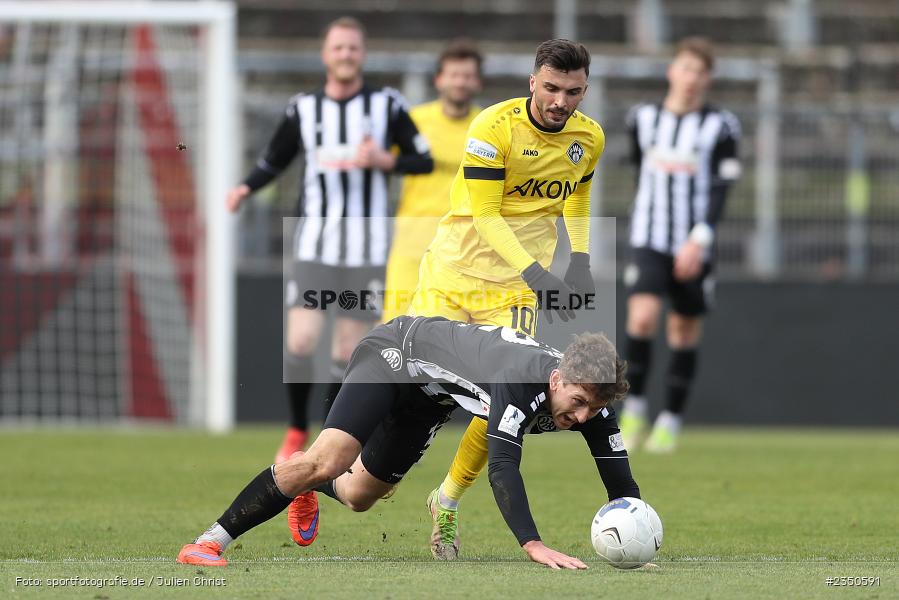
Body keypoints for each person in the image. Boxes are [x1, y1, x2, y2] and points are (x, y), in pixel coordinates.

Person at [176, 316, 637, 570]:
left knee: (357, 496)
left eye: (592, 409)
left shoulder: (591, 396)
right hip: (397, 354)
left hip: (428, 398)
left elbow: (619, 475)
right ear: (558, 377)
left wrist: (637, 538)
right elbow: (502, 467)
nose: (581, 418)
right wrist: (532, 544)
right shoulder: (521, 382)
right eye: (576, 403)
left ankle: (306, 487)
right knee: (331, 459)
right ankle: (207, 543)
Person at [408, 39, 603, 559]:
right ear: (533, 81)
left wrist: (579, 261)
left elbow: (578, 195)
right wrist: (540, 273)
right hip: (452, 273)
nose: (562, 101)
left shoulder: (590, 137)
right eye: (553, 88)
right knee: (406, 387)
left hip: (512, 289)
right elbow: (488, 214)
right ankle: (333, 468)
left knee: (504, 397)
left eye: (574, 91)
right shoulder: (493, 128)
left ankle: (446, 501)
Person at [225, 17, 433, 463]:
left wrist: (384, 159)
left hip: (368, 249)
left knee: (346, 349)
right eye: (338, 48)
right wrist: (244, 188)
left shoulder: (387, 104)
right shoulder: (303, 108)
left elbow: (423, 159)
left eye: (353, 49)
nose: (345, 55)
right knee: (300, 341)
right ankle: (297, 429)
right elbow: (274, 160)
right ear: (326, 55)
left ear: (362, 54)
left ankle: (327, 437)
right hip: (316, 244)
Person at [617, 37, 741, 453]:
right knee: (642, 318)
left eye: (700, 72)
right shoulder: (643, 118)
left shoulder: (720, 125)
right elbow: (638, 169)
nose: (691, 78)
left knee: (683, 329)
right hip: (650, 237)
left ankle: (669, 418)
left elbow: (723, 188)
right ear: (672, 71)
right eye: (685, 68)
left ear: (708, 79)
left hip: (694, 244)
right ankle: (633, 408)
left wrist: (699, 238)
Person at [381, 40, 483, 322]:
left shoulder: (488, 126)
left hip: (465, 252)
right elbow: (383, 165)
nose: (460, 82)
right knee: (394, 329)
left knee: (451, 339)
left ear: (478, 82)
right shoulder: (415, 121)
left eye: (467, 75)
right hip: (412, 244)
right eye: (454, 74)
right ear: (439, 79)